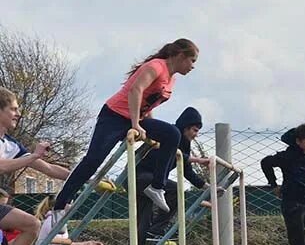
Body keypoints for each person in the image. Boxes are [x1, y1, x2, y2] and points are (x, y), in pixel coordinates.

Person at [53, 38, 199, 217]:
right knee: (94, 159)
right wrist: (136, 124)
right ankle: (61, 203)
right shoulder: (156, 67)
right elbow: (136, 90)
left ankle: (157, 186)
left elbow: (148, 102)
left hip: (136, 117)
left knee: (172, 134)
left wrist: (150, 128)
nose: (192, 67)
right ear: (181, 55)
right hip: (115, 116)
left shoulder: (171, 80)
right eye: (192, 61)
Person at [117, 106, 211, 245]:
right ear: (186, 127)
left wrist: (207, 186)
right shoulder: (170, 133)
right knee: (175, 189)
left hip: (149, 184)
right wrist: (198, 159)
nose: (195, 134)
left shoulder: (185, 144)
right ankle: (158, 228)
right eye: (194, 130)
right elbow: (175, 154)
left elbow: (187, 171)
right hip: (138, 176)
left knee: (141, 229)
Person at [0, 87, 70, 245]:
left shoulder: (11, 144)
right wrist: (32, 156)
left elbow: (47, 168)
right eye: (13, 109)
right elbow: (1, 166)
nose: (18, 114)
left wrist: (84, 175)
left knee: (32, 224)